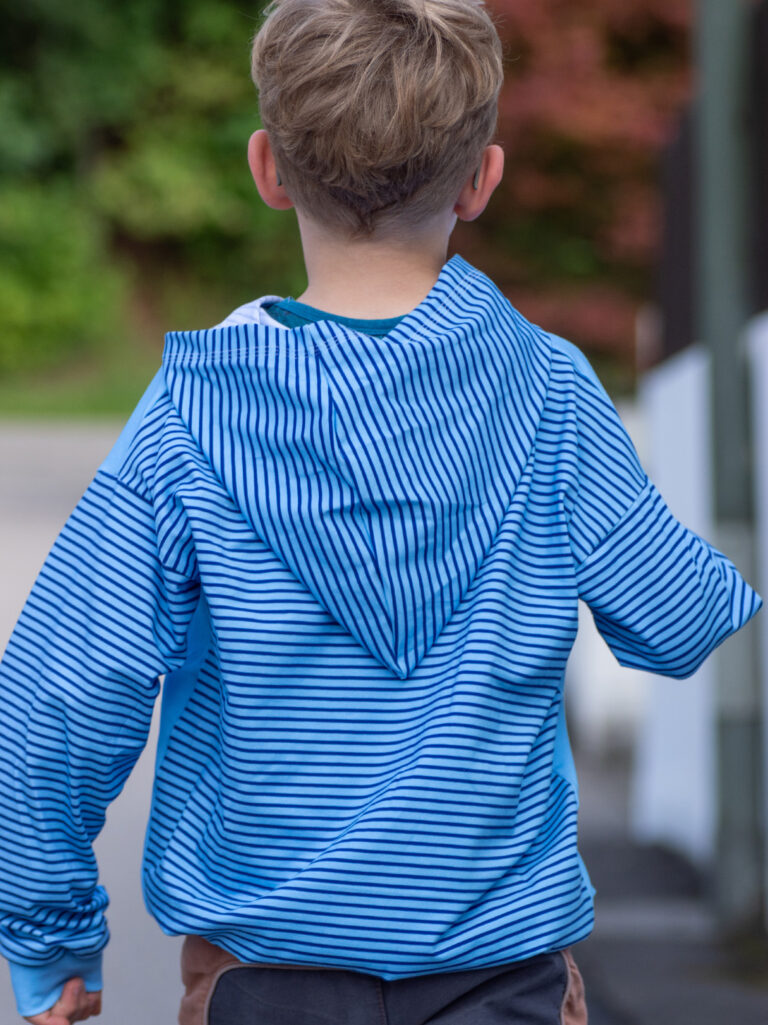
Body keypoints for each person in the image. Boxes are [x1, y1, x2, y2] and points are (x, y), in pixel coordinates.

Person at [0, 0, 762, 1023]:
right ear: (481, 179)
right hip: (505, 976)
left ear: (268, 169)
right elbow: (675, 620)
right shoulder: (549, 393)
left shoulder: (192, 416)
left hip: (263, 978)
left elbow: (60, 692)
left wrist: (50, 930)